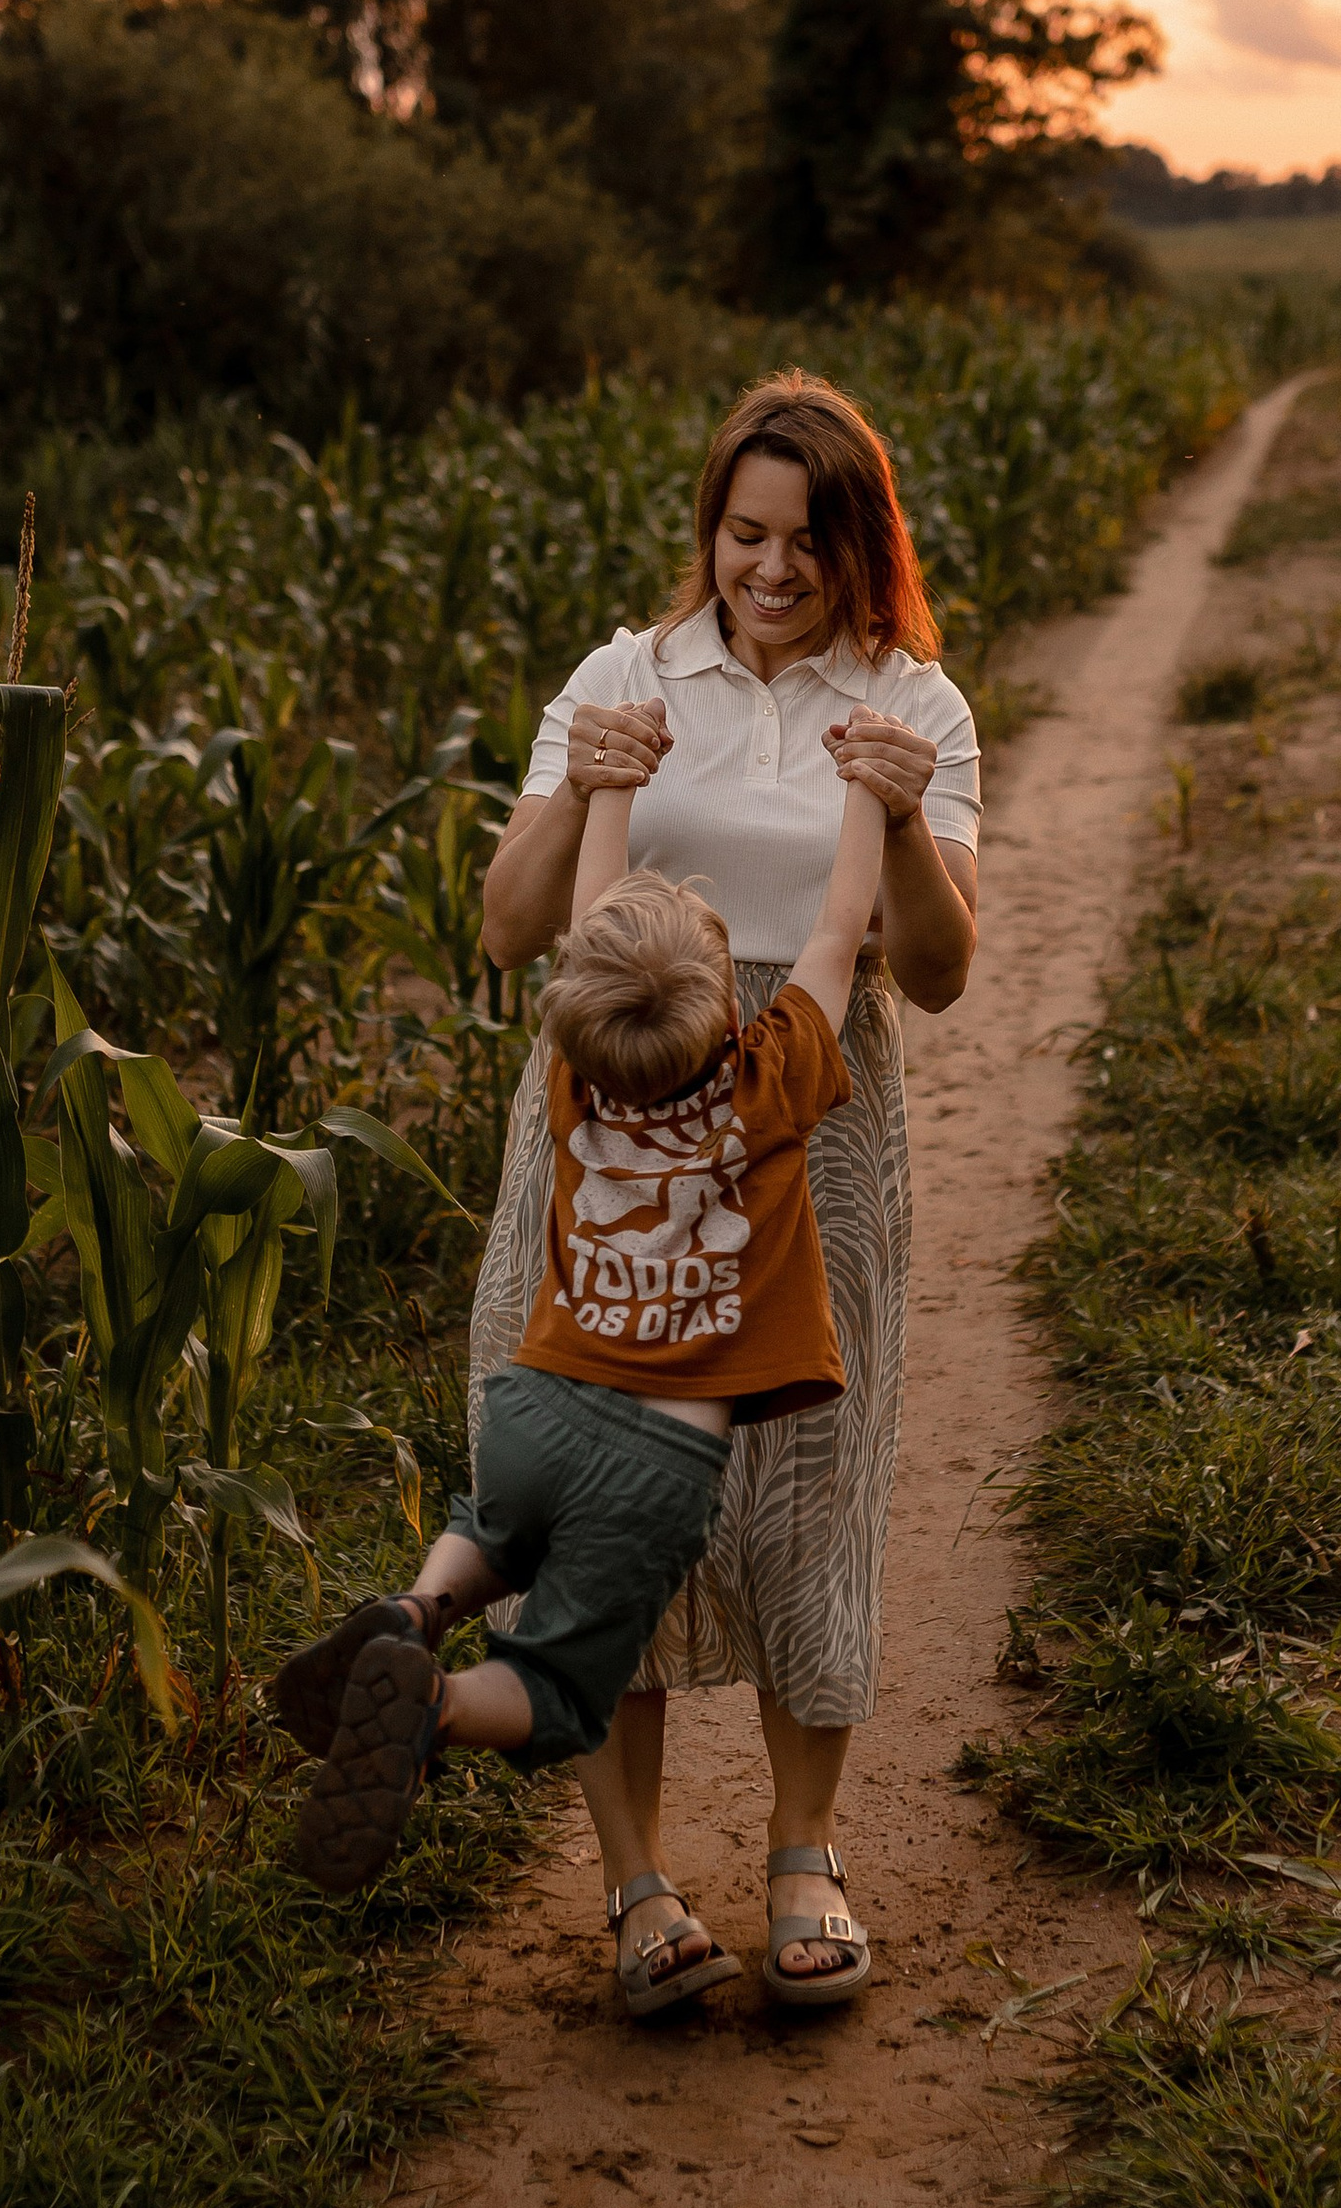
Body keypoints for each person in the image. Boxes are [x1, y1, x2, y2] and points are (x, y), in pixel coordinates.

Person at [469, 373, 979, 2012]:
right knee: (608, 1488)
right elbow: (508, 927)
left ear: (860, 542)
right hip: (605, 1112)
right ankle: (633, 1885)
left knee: (807, 1488)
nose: (769, 569)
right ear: (710, 528)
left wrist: (898, 812)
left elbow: (940, 968)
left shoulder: (918, 700)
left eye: (807, 537)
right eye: (743, 532)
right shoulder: (624, 675)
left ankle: (803, 1855)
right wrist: (577, 777)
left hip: (812, 1118)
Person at [275, 714, 893, 2012]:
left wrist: (604, 781)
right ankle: (438, 1708)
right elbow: (838, 935)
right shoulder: (764, 1084)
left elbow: (589, 919)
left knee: (499, 1523)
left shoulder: (572, 1076)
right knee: (560, 1676)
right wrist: (867, 801)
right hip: (652, 1459)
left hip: (535, 1404)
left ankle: (415, 1607)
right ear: (730, 1004)